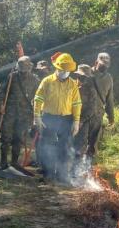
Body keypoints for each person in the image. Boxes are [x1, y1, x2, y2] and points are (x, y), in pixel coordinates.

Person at [33, 52, 82, 183]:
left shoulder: (73, 84)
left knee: (64, 147)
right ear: (57, 68)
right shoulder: (47, 81)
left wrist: (76, 121)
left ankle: (61, 175)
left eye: (67, 70)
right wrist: (37, 116)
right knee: (46, 146)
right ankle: (48, 174)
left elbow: (77, 103)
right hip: (48, 118)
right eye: (62, 70)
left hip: (66, 119)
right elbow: (38, 98)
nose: (65, 72)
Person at [0, 56, 39, 170]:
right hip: (10, 112)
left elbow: (38, 98)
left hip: (25, 114)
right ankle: (3, 162)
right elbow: (3, 92)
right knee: (5, 137)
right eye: (22, 68)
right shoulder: (12, 77)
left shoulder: (35, 80)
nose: (24, 72)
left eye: (26, 68)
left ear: (30, 67)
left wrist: (36, 113)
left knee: (19, 138)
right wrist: (1, 104)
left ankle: (14, 162)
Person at [74, 53, 115, 162]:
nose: (104, 67)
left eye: (106, 65)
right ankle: (76, 168)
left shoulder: (109, 78)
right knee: (80, 142)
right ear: (96, 62)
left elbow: (109, 99)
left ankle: (87, 168)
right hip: (83, 114)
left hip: (97, 115)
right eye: (102, 64)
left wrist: (111, 117)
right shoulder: (86, 73)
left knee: (93, 144)